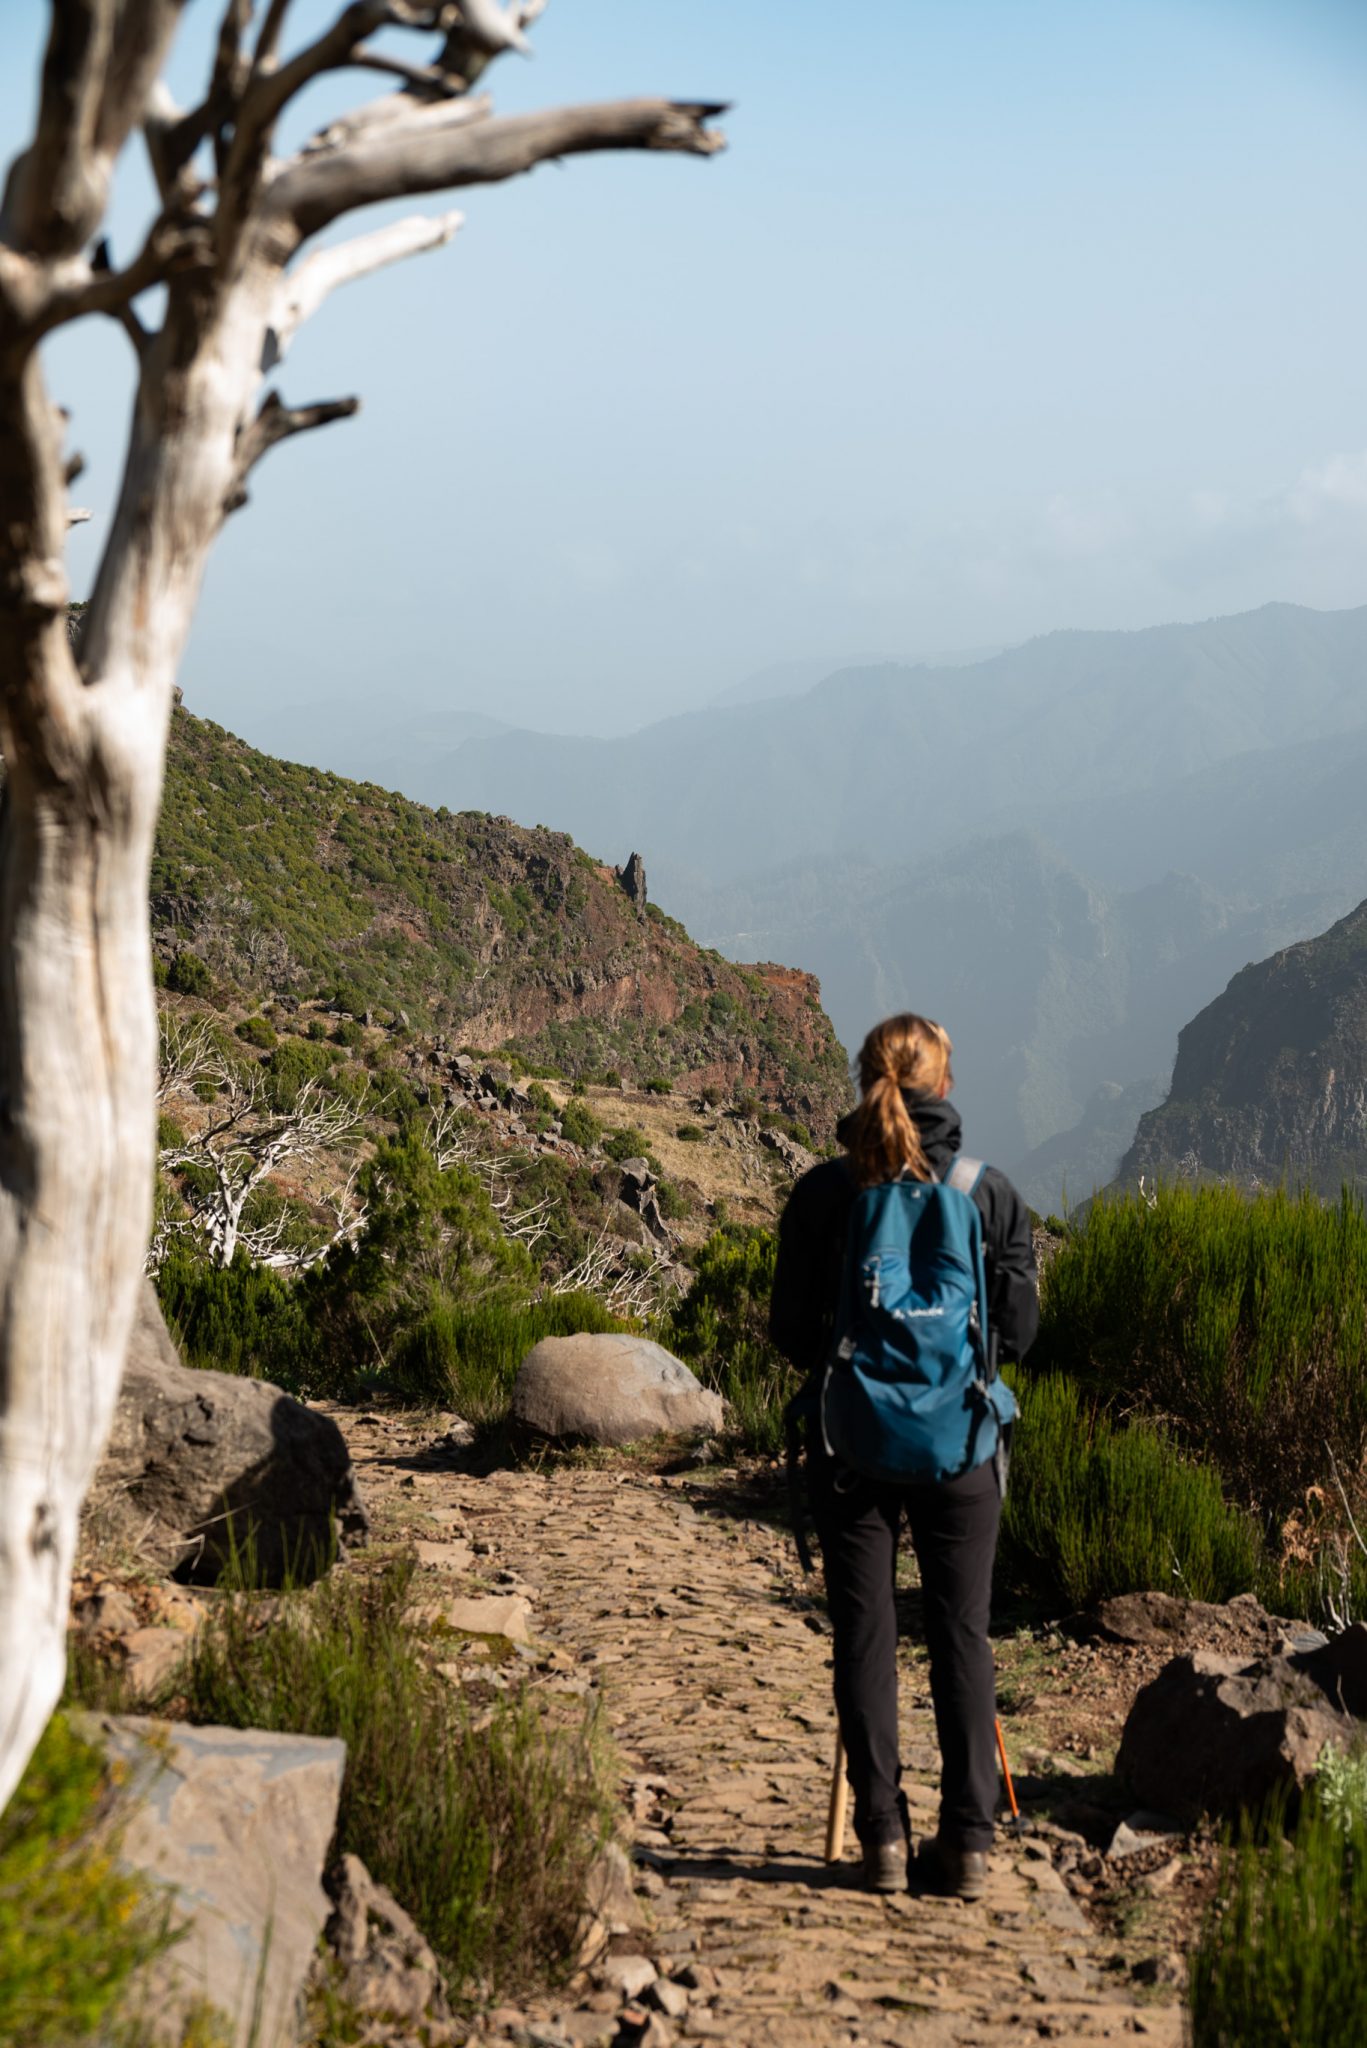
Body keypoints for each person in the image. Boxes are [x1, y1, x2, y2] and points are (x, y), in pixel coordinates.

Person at [769, 1012, 1038, 1898]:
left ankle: (881, 1840)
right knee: (961, 1634)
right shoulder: (987, 1193)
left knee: (865, 1634)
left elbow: (785, 1332)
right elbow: (1021, 1335)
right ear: (944, 1087)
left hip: (851, 1444)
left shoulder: (822, 1194)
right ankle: (966, 1844)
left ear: (863, 1082)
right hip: (960, 1447)